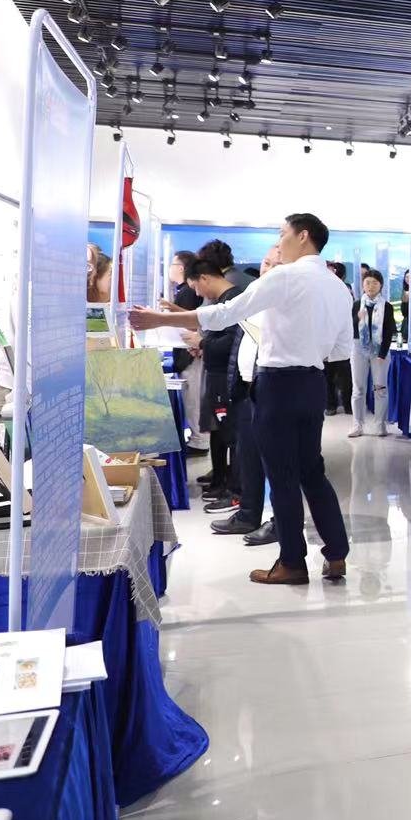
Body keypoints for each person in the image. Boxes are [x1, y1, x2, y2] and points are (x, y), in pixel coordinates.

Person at [131, 213, 354, 586]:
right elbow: (341, 350)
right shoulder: (338, 288)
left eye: (282, 234)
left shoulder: (285, 276)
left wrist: (160, 319)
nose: (279, 243)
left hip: (278, 384)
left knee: (282, 476)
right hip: (313, 384)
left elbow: (225, 313)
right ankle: (336, 555)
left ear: (303, 236)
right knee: (312, 472)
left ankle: (292, 563)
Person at [214, 245, 282, 542]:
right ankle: (247, 514)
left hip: (272, 389)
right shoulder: (254, 294)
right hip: (245, 387)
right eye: (266, 263)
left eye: (276, 265)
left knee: (277, 462)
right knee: (248, 456)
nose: (268, 270)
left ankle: (280, 522)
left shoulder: (287, 300)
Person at [184, 258, 244, 513]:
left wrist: (202, 343)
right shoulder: (224, 300)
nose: (198, 294)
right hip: (218, 374)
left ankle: (234, 491)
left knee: (231, 435)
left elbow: (231, 343)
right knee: (220, 433)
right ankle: (222, 481)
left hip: (226, 378)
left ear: (205, 278)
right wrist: (203, 345)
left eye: (196, 287)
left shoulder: (234, 300)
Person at [168, 250, 212, 455]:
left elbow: (191, 322)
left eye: (172, 264)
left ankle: (199, 441)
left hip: (192, 354)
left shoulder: (186, 292)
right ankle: (198, 439)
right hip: (191, 352)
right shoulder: (185, 291)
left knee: (194, 399)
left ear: (181, 268)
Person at [349, 269, 395, 439]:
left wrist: (382, 354)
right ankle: (357, 424)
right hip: (358, 348)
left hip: (379, 350)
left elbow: (389, 332)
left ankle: (380, 424)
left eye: (375, 283)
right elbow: (350, 328)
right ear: (363, 285)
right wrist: (357, 318)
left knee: (380, 388)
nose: (371, 286)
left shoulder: (387, 306)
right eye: (368, 282)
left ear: (380, 285)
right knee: (358, 388)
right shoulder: (356, 304)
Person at [324, 262, 354, 414]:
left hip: (341, 340)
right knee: (327, 378)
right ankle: (331, 405)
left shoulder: (344, 289)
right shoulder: (321, 289)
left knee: (345, 378)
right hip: (325, 340)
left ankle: (348, 405)